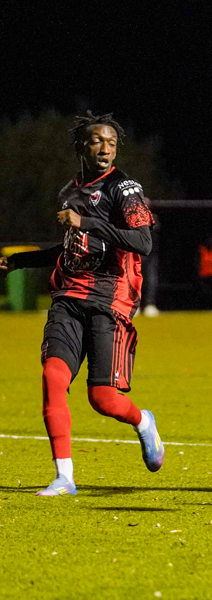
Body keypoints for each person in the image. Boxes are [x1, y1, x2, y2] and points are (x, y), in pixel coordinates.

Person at [0, 112, 165, 496]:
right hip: (68, 297)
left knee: (102, 399)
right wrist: (18, 261)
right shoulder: (68, 193)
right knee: (52, 376)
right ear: (81, 146)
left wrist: (86, 223)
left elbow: (143, 242)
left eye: (111, 142)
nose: (105, 148)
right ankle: (64, 477)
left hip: (110, 300)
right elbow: (72, 248)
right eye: (97, 141)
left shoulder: (125, 188)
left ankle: (143, 421)